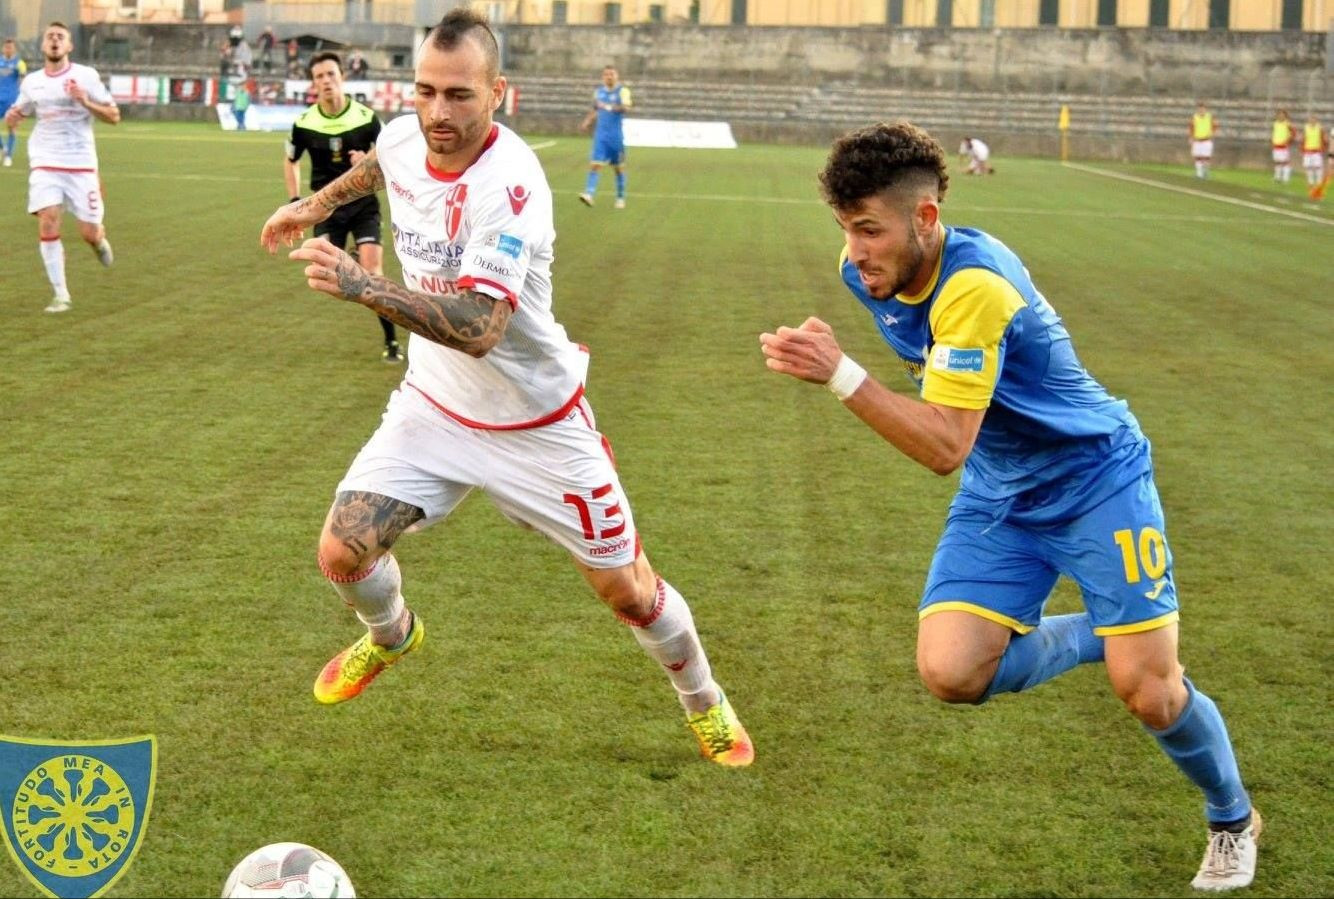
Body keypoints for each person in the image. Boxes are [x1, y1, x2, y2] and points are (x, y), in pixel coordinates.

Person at [759, 121, 1258, 891]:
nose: (855, 252)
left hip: (1095, 478)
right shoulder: (870, 273)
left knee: (1152, 692)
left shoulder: (976, 286)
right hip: (1002, 487)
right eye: (845, 229)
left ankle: (1232, 816)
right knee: (952, 670)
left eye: (869, 229)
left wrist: (839, 373)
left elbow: (943, 446)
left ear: (926, 218)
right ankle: (1104, 633)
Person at [259, 9, 754, 767]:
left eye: (459, 95)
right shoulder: (405, 134)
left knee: (628, 591)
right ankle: (392, 634)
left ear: (498, 93)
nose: (437, 112)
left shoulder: (511, 183)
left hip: (536, 421)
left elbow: (481, 326)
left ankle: (704, 700)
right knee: (342, 551)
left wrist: (364, 285)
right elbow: (381, 164)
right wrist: (312, 204)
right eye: (425, 91)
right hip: (434, 405)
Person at [283, 51, 400, 362]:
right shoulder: (303, 123)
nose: (326, 81)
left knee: (374, 274)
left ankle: (391, 341)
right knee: (324, 273)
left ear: (342, 77)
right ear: (313, 84)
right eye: (319, 76)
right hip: (326, 208)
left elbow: (392, 157)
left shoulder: (366, 117)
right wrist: (295, 201)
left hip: (362, 205)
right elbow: (290, 160)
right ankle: (351, 260)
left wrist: (369, 162)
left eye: (331, 74)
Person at [4, 21, 118, 314]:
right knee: (48, 218)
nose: (54, 40)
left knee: (89, 233)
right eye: (50, 36)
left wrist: (85, 101)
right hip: (45, 162)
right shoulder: (32, 82)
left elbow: (114, 116)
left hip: (81, 165)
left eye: (60, 37)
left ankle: (99, 241)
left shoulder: (86, 76)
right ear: (43, 45)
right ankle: (61, 295)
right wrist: (13, 117)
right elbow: (20, 110)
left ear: (69, 45)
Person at [577, 65, 631, 209]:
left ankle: (620, 197)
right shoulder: (598, 92)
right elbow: (595, 110)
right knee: (595, 165)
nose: (609, 77)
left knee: (619, 168)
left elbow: (626, 107)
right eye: (606, 74)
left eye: (611, 74)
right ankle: (589, 194)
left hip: (616, 137)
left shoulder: (622, 91)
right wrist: (587, 122)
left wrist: (608, 106)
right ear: (603, 77)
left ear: (617, 76)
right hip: (601, 136)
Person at [0, 38, 27, 167]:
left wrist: (21, 99)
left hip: (12, 101)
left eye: (10, 47)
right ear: (2, 48)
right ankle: (3, 148)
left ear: (14, 49)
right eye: (6, 47)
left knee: (12, 128)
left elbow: (23, 82)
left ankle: (8, 156)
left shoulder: (19, 63)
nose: (8, 49)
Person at [1299, 112, 1326, 188]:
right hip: (1307, 150)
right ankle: (1311, 183)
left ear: (1316, 120)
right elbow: (1303, 139)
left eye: (1314, 119)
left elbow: (1323, 139)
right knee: (1308, 167)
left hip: (1316, 151)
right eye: (1310, 119)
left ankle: (1318, 183)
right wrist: (1302, 148)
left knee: (1318, 167)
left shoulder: (1320, 128)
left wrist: (1323, 148)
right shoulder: (1306, 128)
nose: (1312, 121)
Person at [1190, 101, 1216, 179]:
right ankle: (1199, 174)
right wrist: (1191, 137)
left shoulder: (1209, 117)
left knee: (1206, 157)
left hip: (1206, 140)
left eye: (1203, 109)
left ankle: (1205, 173)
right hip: (1197, 140)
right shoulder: (1195, 117)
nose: (1201, 110)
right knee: (1197, 157)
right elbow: (1191, 127)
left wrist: (1213, 133)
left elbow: (1215, 125)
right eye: (1199, 109)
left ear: (1205, 109)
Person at [1269, 109, 1293, 183]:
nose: (1281, 116)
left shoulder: (1288, 124)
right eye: (1279, 114)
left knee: (1285, 162)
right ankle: (1277, 177)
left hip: (1284, 146)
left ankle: (1286, 178)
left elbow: (1293, 133)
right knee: (1277, 162)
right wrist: (1272, 141)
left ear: (1285, 116)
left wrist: (1287, 141)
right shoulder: (1275, 124)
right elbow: (1274, 133)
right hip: (1276, 145)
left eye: (1282, 114)